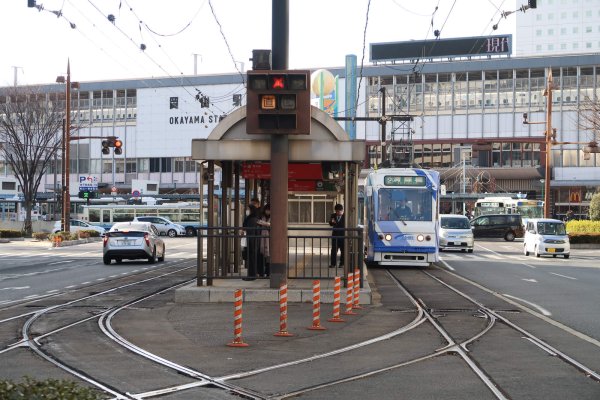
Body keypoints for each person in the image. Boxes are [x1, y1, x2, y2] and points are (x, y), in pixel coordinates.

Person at [242, 204, 262, 280]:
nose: (247, 211)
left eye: (248, 209)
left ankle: (251, 276)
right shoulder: (253, 218)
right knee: (252, 259)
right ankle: (251, 275)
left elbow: (250, 231)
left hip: (251, 241)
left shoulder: (251, 219)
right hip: (253, 241)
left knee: (251, 259)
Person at [329, 203, 345, 268]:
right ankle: (333, 264)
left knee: (343, 251)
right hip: (335, 236)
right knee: (333, 251)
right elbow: (330, 223)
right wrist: (332, 222)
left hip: (343, 236)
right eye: (337, 211)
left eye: (340, 211)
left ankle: (342, 264)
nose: (338, 212)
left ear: (342, 210)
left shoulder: (345, 216)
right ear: (335, 211)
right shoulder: (333, 216)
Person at [257, 204, 271, 277]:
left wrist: (266, 224)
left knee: (269, 257)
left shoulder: (273, 217)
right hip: (261, 239)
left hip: (270, 240)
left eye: (269, 210)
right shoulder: (261, 217)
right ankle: (261, 272)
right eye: (267, 210)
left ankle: (268, 272)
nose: (268, 211)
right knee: (261, 256)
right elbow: (258, 223)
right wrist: (266, 224)